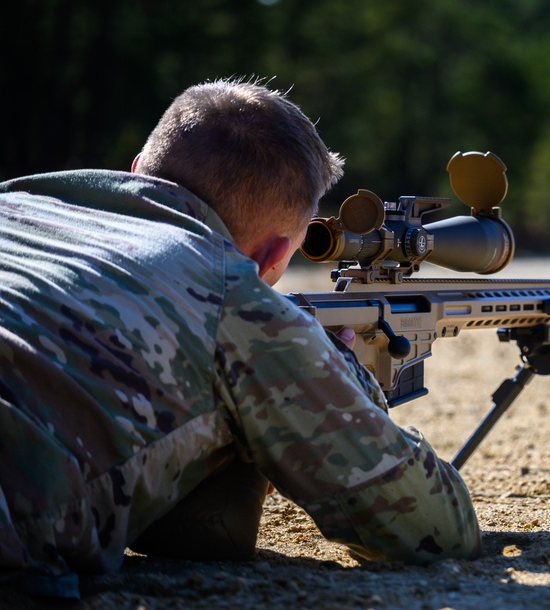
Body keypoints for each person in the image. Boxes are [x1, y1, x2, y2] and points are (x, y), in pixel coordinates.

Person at [0, 78, 481, 599]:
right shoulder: (230, 290)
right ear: (273, 257)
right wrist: (347, 374)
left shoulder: (15, 201)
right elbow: (436, 529)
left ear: (137, 170)